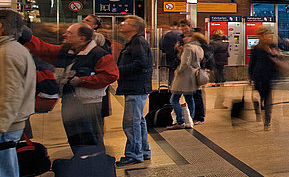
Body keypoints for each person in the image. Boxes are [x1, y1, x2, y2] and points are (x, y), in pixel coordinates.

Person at [24, 22, 116, 150]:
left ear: (81, 38)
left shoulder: (98, 54)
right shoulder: (66, 50)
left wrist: (82, 81)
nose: (65, 34)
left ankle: (96, 164)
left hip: (89, 103)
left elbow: (111, 75)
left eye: (70, 33)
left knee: (91, 136)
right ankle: (79, 161)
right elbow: (44, 49)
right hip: (69, 101)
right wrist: (27, 37)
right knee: (74, 136)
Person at [0, 9, 36, 177]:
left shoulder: (7, 53)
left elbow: (8, 96)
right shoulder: (15, 50)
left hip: (5, 129)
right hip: (11, 125)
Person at [113, 16, 153, 166]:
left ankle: (134, 154)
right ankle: (143, 151)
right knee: (138, 121)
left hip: (135, 87)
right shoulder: (134, 41)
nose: (121, 25)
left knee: (131, 122)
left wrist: (117, 70)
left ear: (135, 28)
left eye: (125, 23)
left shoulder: (137, 42)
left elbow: (140, 63)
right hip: (135, 86)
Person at [248, 24, 281, 131]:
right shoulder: (257, 47)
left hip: (268, 76)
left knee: (267, 99)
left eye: (265, 34)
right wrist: (250, 76)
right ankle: (260, 112)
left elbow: (278, 60)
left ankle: (267, 120)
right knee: (260, 97)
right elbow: (252, 62)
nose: (264, 36)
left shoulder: (272, 46)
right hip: (258, 76)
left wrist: (274, 54)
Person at [171, 30, 207, 129]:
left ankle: (180, 120)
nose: (185, 38)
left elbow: (185, 63)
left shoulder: (188, 47)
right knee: (190, 99)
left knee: (174, 99)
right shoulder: (199, 48)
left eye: (188, 36)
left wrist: (178, 71)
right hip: (193, 76)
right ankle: (190, 119)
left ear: (193, 38)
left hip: (184, 77)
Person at [158, 19, 189, 89]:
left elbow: (161, 45)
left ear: (171, 26)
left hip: (169, 55)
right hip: (181, 55)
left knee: (171, 69)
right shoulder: (183, 34)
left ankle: (171, 84)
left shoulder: (166, 34)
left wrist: (165, 51)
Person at [207, 32, 230, 107]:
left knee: (216, 71)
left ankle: (217, 82)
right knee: (221, 70)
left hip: (216, 59)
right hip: (223, 59)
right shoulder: (225, 42)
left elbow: (210, 51)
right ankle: (222, 81)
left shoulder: (214, 43)